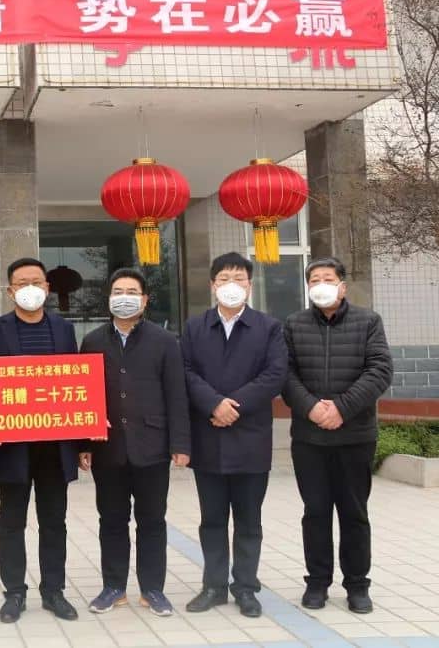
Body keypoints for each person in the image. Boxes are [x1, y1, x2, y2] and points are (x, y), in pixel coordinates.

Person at [0, 257, 82, 624]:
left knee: (54, 521)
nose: (30, 288)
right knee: (11, 521)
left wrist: (83, 439)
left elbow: (78, 382)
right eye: (22, 283)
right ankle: (14, 592)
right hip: (13, 445)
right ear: (10, 290)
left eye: (36, 281)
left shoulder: (64, 329)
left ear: (47, 288)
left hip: (55, 445)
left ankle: (54, 591)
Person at [180, 252, 288, 619]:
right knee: (211, 520)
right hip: (208, 437)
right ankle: (213, 586)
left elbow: (275, 374)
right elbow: (186, 371)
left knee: (248, 521)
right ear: (213, 285)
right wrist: (214, 404)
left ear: (250, 285)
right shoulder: (195, 327)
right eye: (224, 278)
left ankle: (245, 588)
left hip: (250, 438)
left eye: (239, 278)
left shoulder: (268, 327)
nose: (232, 285)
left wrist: (233, 406)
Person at [282, 257, 392, 614]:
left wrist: (342, 408)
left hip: (355, 436)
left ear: (342, 286)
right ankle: (317, 583)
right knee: (315, 512)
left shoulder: (368, 322)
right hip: (309, 438)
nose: (321, 285)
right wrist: (312, 408)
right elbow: (285, 374)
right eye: (314, 279)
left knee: (354, 512)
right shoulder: (294, 324)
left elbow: (380, 370)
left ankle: (357, 585)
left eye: (328, 279)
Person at [79, 268, 190, 617]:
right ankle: (113, 587)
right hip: (107, 446)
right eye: (118, 291)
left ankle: (152, 589)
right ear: (109, 298)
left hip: (152, 445)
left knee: (152, 520)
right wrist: (84, 442)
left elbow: (176, 394)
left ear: (144, 300)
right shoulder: (92, 341)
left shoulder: (165, 341)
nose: (124, 297)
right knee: (111, 520)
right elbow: (83, 395)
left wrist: (180, 444)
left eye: (131, 292)